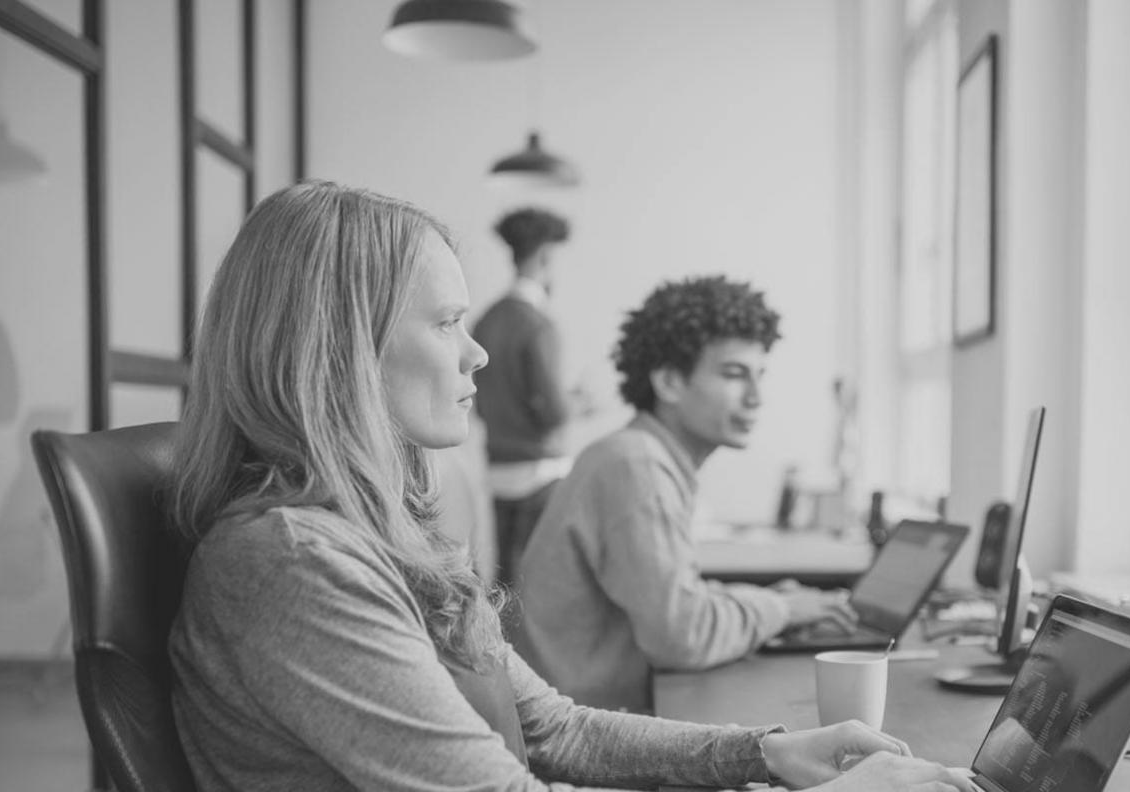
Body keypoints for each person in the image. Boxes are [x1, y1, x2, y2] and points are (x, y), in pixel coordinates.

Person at [165, 181, 971, 792]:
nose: (477, 354)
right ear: (339, 349)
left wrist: (763, 753)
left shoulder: (377, 535)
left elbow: (550, 728)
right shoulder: (294, 562)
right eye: (447, 324)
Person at [515, 276, 856, 713]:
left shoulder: (635, 454)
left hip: (585, 713)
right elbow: (682, 636)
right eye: (734, 374)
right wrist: (781, 610)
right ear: (670, 382)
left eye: (759, 376)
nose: (756, 397)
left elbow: (676, 599)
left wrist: (772, 601)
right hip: (578, 738)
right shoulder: (636, 466)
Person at [472, 207, 573, 590]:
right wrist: (577, 403)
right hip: (539, 474)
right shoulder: (538, 324)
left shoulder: (485, 320)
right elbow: (555, 412)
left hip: (497, 469)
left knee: (506, 585)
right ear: (545, 256)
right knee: (540, 587)